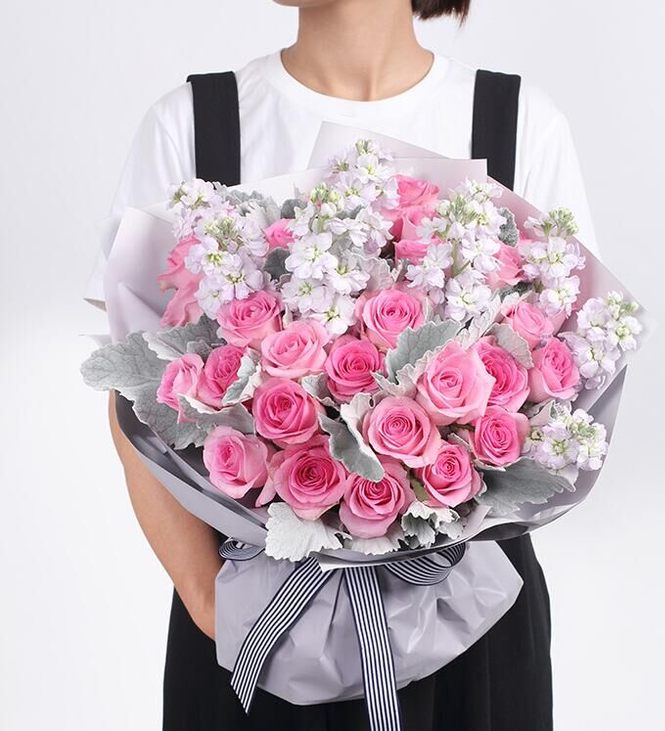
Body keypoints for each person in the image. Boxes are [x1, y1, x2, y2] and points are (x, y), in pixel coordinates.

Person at [86, 1, 600, 729]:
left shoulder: (517, 123)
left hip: (468, 621)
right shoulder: (195, 124)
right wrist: (207, 600)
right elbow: (136, 397)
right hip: (260, 615)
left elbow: (566, 382)